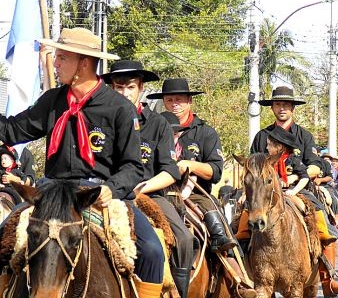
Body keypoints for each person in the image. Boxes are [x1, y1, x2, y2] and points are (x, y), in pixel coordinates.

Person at [0, 28, 164, 297]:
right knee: (3, 235)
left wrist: (112, 187)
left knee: (153, 251)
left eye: (62, 58)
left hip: (96, 194)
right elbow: (12, 131)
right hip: (51, 192)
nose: (56, 63)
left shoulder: (118, 108)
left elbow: (134, 166)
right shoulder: (52, 100)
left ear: (84, 63)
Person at [147, 78, 256, 298]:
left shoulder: (205, 132)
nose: (174, 104)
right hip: (156, 192)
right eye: (169, 100)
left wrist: (190, 165)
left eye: (179, 99)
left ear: (189, 101)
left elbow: (215, 172)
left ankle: (238, 278)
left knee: (218, 226)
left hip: (195, 193)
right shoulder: (151, 127)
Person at [101, 60, 195, 298]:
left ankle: (179, 291)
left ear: (141, 87)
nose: (124, 93)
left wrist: (143, 187)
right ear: (111, 88)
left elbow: (170, 170)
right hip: (104, 194)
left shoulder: (158, 124)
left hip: (148, 194)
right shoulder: (98, 118)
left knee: (183, 237)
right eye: (118, 87)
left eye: (130, 87)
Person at [249, 85, 338, 295]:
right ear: (272, 108)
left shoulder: (304, 135)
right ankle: (240, 274)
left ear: (292, 108)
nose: (282, 108)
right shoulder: (261, 136)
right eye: (278, 104)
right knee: (239, 224)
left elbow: (316, 165)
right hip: (263, 193)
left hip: (299, 189)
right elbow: (252, 165)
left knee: (322, 222)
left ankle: (329, 276)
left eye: (286, 104)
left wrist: (295, 177)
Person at [266, 126, 338, 297]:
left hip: (296, 192)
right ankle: (239, 272)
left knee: (316, 214)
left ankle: (328, 278)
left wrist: (292, 188)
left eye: (269, 145)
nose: (267, 147)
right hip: (267, 193)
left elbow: (306, 175)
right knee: (244, 219)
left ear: (279, 146)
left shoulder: (295, 157)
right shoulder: (266, 158)